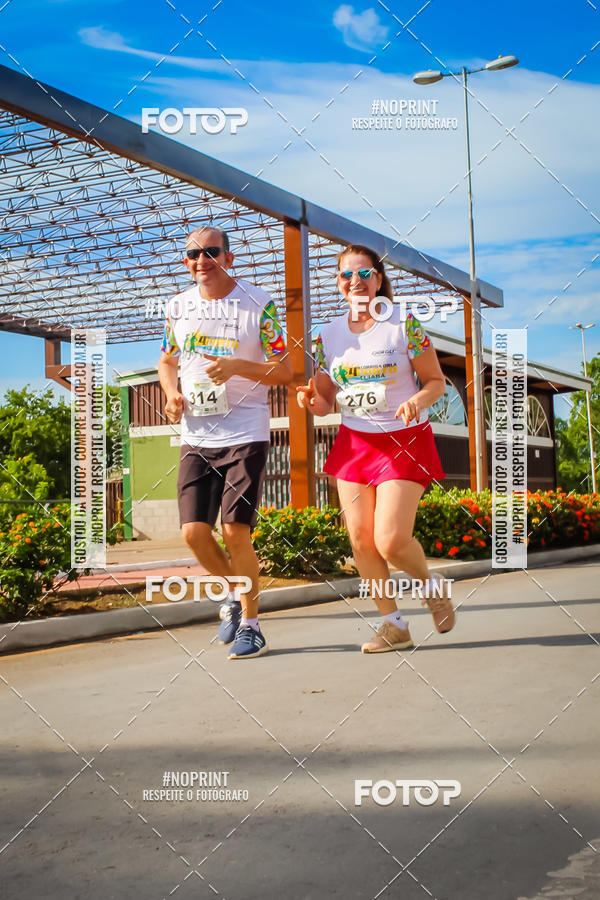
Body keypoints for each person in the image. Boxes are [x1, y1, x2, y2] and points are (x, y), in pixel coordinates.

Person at [297, 244, 454, 653]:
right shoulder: (327, 335)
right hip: (354, 443)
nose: (355, 282)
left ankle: (431, 585)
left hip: (404, 439)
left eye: (364, 273)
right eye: (346, 275)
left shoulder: (405, 325)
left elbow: (435, 382)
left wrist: (416, 401)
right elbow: (325, 400)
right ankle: (393, 625)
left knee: (390, 540)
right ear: (338, 283)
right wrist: (309, 400)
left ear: (378, 279)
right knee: (362, 540)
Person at [158, 226, 293, 659]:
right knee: (194, 532)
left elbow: (286, 371)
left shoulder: (260, 304)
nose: (201, 261)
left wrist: (238, 365)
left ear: (228, 258)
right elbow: (166, 361)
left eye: (210, 252)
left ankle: (251, 625)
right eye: (192, 255)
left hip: (246, 432)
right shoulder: (177, 307)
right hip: (197, 436)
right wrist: (170, 395)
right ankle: (235, 594)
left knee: (235, 529)